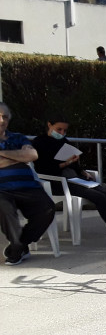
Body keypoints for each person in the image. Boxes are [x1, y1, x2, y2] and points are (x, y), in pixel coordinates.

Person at [32, 116, 106, 247]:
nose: (62, 133)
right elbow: (43, 169)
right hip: (56, 182)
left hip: (73, 179)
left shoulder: (63, 141)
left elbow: (74, 165)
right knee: (99, 197)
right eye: (59, 129)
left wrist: (82, 171)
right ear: (49, 124)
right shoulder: (39, 142)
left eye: (64, 130)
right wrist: (66, 163)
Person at [0, 102, 56, 265]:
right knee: (5, 209)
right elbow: (23, 156)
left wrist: (3, 155)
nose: (2, 120)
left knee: (47, 209)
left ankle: (19, 245)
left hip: (28, 186)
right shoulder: (18, 143)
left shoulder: (18, 137)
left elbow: (32, 155)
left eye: (5, 116)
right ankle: (17, 249)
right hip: (2, 189)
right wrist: (17, 156)